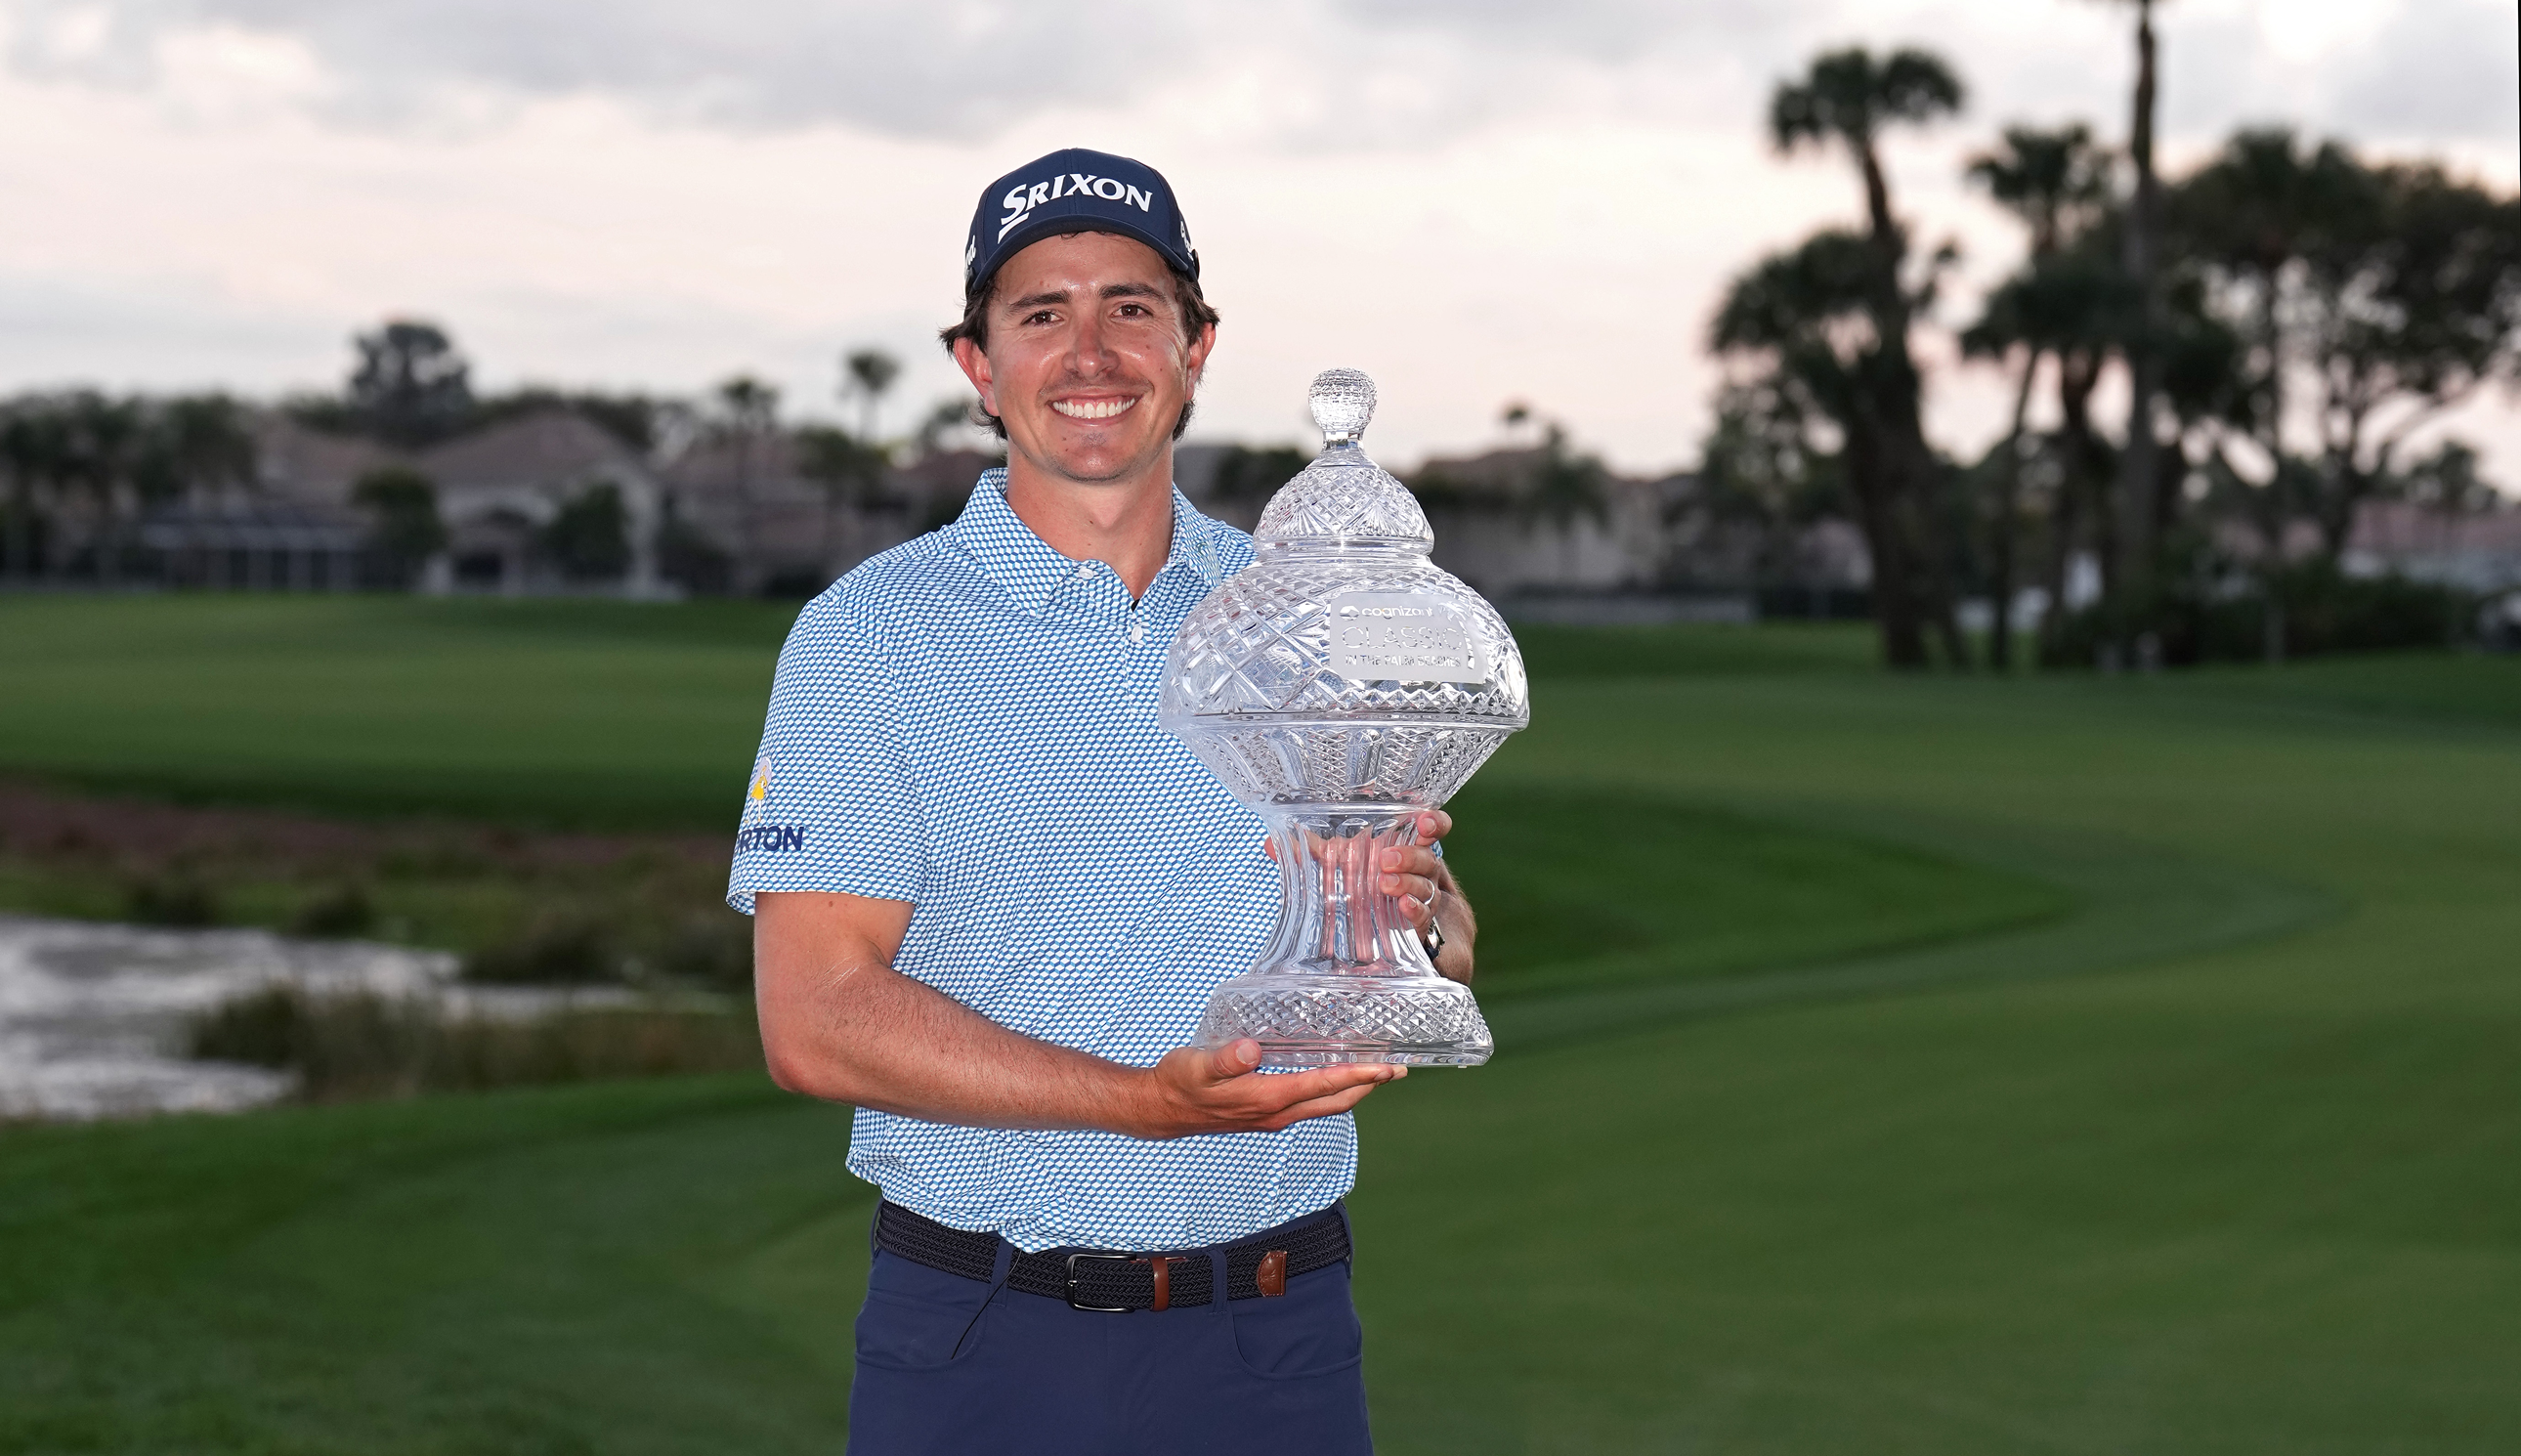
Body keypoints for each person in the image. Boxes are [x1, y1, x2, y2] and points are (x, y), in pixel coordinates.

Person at [729, 148, 1478, 1455]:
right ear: (979, 362)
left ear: (1195, 346)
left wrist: (1427, 928)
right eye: (1041, 313)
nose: (1091, 350)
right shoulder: (866, 635)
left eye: (1132, 307)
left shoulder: (1309, 618)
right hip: (982, 1333)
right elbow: (814, 1017)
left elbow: (1403, 927)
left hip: (1274, 1332)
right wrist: (1140, 1100)